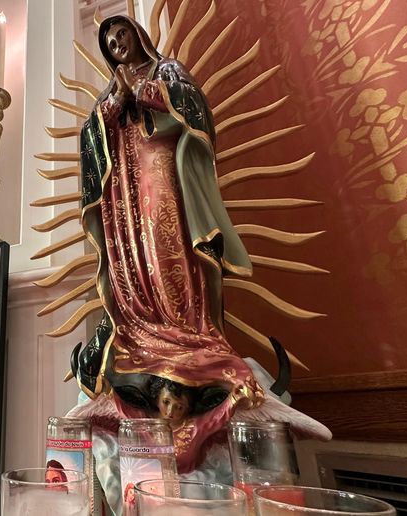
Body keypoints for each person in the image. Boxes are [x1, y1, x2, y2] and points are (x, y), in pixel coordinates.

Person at [70, 15, 264, 473]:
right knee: (128, 255)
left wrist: (146, 94)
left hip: (159, 168)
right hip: (123, 187)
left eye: (122, 35)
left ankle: (185, 329)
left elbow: (193, 107)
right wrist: (109, 109)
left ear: (138, 36)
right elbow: (91, 137)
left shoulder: (166, 70)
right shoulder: (111, 87)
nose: (117, 43)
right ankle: (141, 326)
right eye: (110, 41)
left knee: (165, 247)